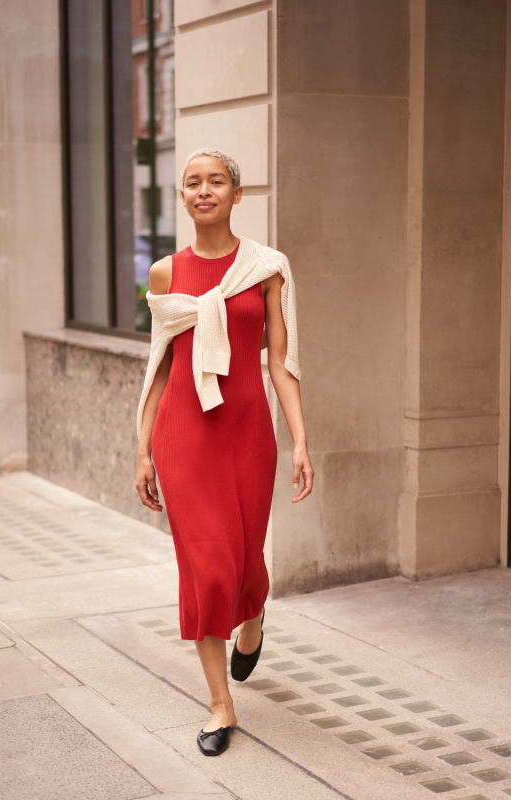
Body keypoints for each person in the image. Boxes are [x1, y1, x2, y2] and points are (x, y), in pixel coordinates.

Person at [136, 148, 313, 756]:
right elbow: (159, 368)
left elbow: (280, 362)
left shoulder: (266, 269)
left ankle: (254, 615)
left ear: (237, 194)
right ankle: (220, 705)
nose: (203, 190)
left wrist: (300, 440)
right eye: (193, 183)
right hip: (183, 436)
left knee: (241, 558)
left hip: (245, 433)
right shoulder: (165, 274)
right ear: (181, 197)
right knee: (205, 568)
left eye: (216, 181)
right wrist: (142, 451)